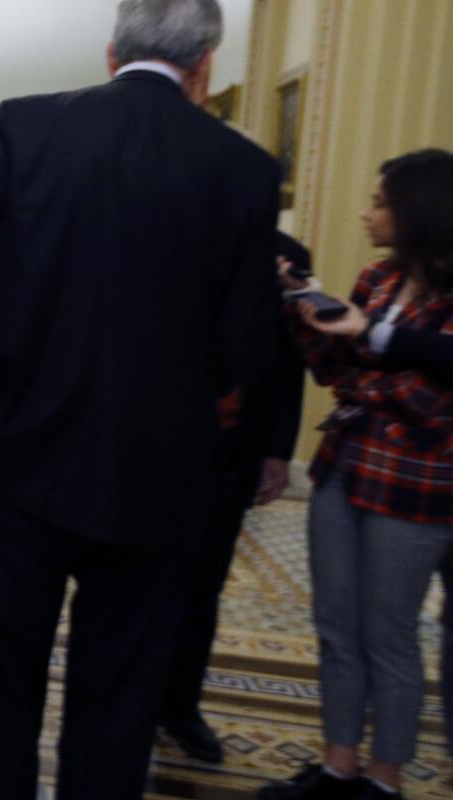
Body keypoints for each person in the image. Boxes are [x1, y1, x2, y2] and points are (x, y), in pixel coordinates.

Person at [0, 0, 282, 795]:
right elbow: (252, 341)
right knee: (120, 691)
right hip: (160, 467)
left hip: (19, 448)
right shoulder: (242, 167)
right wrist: (233, 411)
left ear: (111, 54)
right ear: (204, 67)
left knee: (2, 678)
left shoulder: (35, 127)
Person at [258, 148, 453, 800]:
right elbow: (338, 373)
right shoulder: (377, 280)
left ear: (418, 213)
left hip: (415, 479)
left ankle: (384, 779)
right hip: (346, 467)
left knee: (388, 634)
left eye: (380, 202)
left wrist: (374, 364)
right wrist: (302, 309)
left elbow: (437, 404)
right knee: (336, 625)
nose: (366, 213)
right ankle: (339, 766)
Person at [161, 231, 308, 763]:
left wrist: (277, 451)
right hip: (154, 446)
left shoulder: (283, 253)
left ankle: (180, 707)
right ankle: (130, 700)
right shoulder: (161, 231)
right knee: (141, 584)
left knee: (203, 587)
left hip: (231, 448)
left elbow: (286, 365)